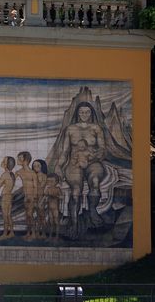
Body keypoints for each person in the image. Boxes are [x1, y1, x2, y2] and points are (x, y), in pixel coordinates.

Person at [56, 101, 106, 239]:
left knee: (95, 181)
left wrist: (93, 157)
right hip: (74, 163)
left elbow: (102, 149)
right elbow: (65, 151)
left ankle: (93, 212)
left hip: (92, 161)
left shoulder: (96, 128)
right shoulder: (71, 129)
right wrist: (59, 166)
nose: (84, 115)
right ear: (78, 113)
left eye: (87, 112)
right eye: (82, 112)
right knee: (76, 190)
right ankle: (74, 223)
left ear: (91, 113)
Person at [0, 156, 16, 239]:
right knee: (8, 215)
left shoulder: (5, 174)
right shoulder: (11, 174)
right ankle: (11, 232)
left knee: (5, 216)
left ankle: (5, 234)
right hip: (9, 197)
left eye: (4, 161)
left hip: (5, 197)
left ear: (6, 164)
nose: (1, 162)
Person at [15, 150, 38, 240]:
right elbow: (12, 180)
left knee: (30, 215)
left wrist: (35, 198)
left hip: (32, 197)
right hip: (26, 197)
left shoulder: (32, 173)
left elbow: (35, 186)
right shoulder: (19, 172)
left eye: (19, 158)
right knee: (27, 216)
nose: (18, 160)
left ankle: (33, 234)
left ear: (25, 160)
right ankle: (28, 233)